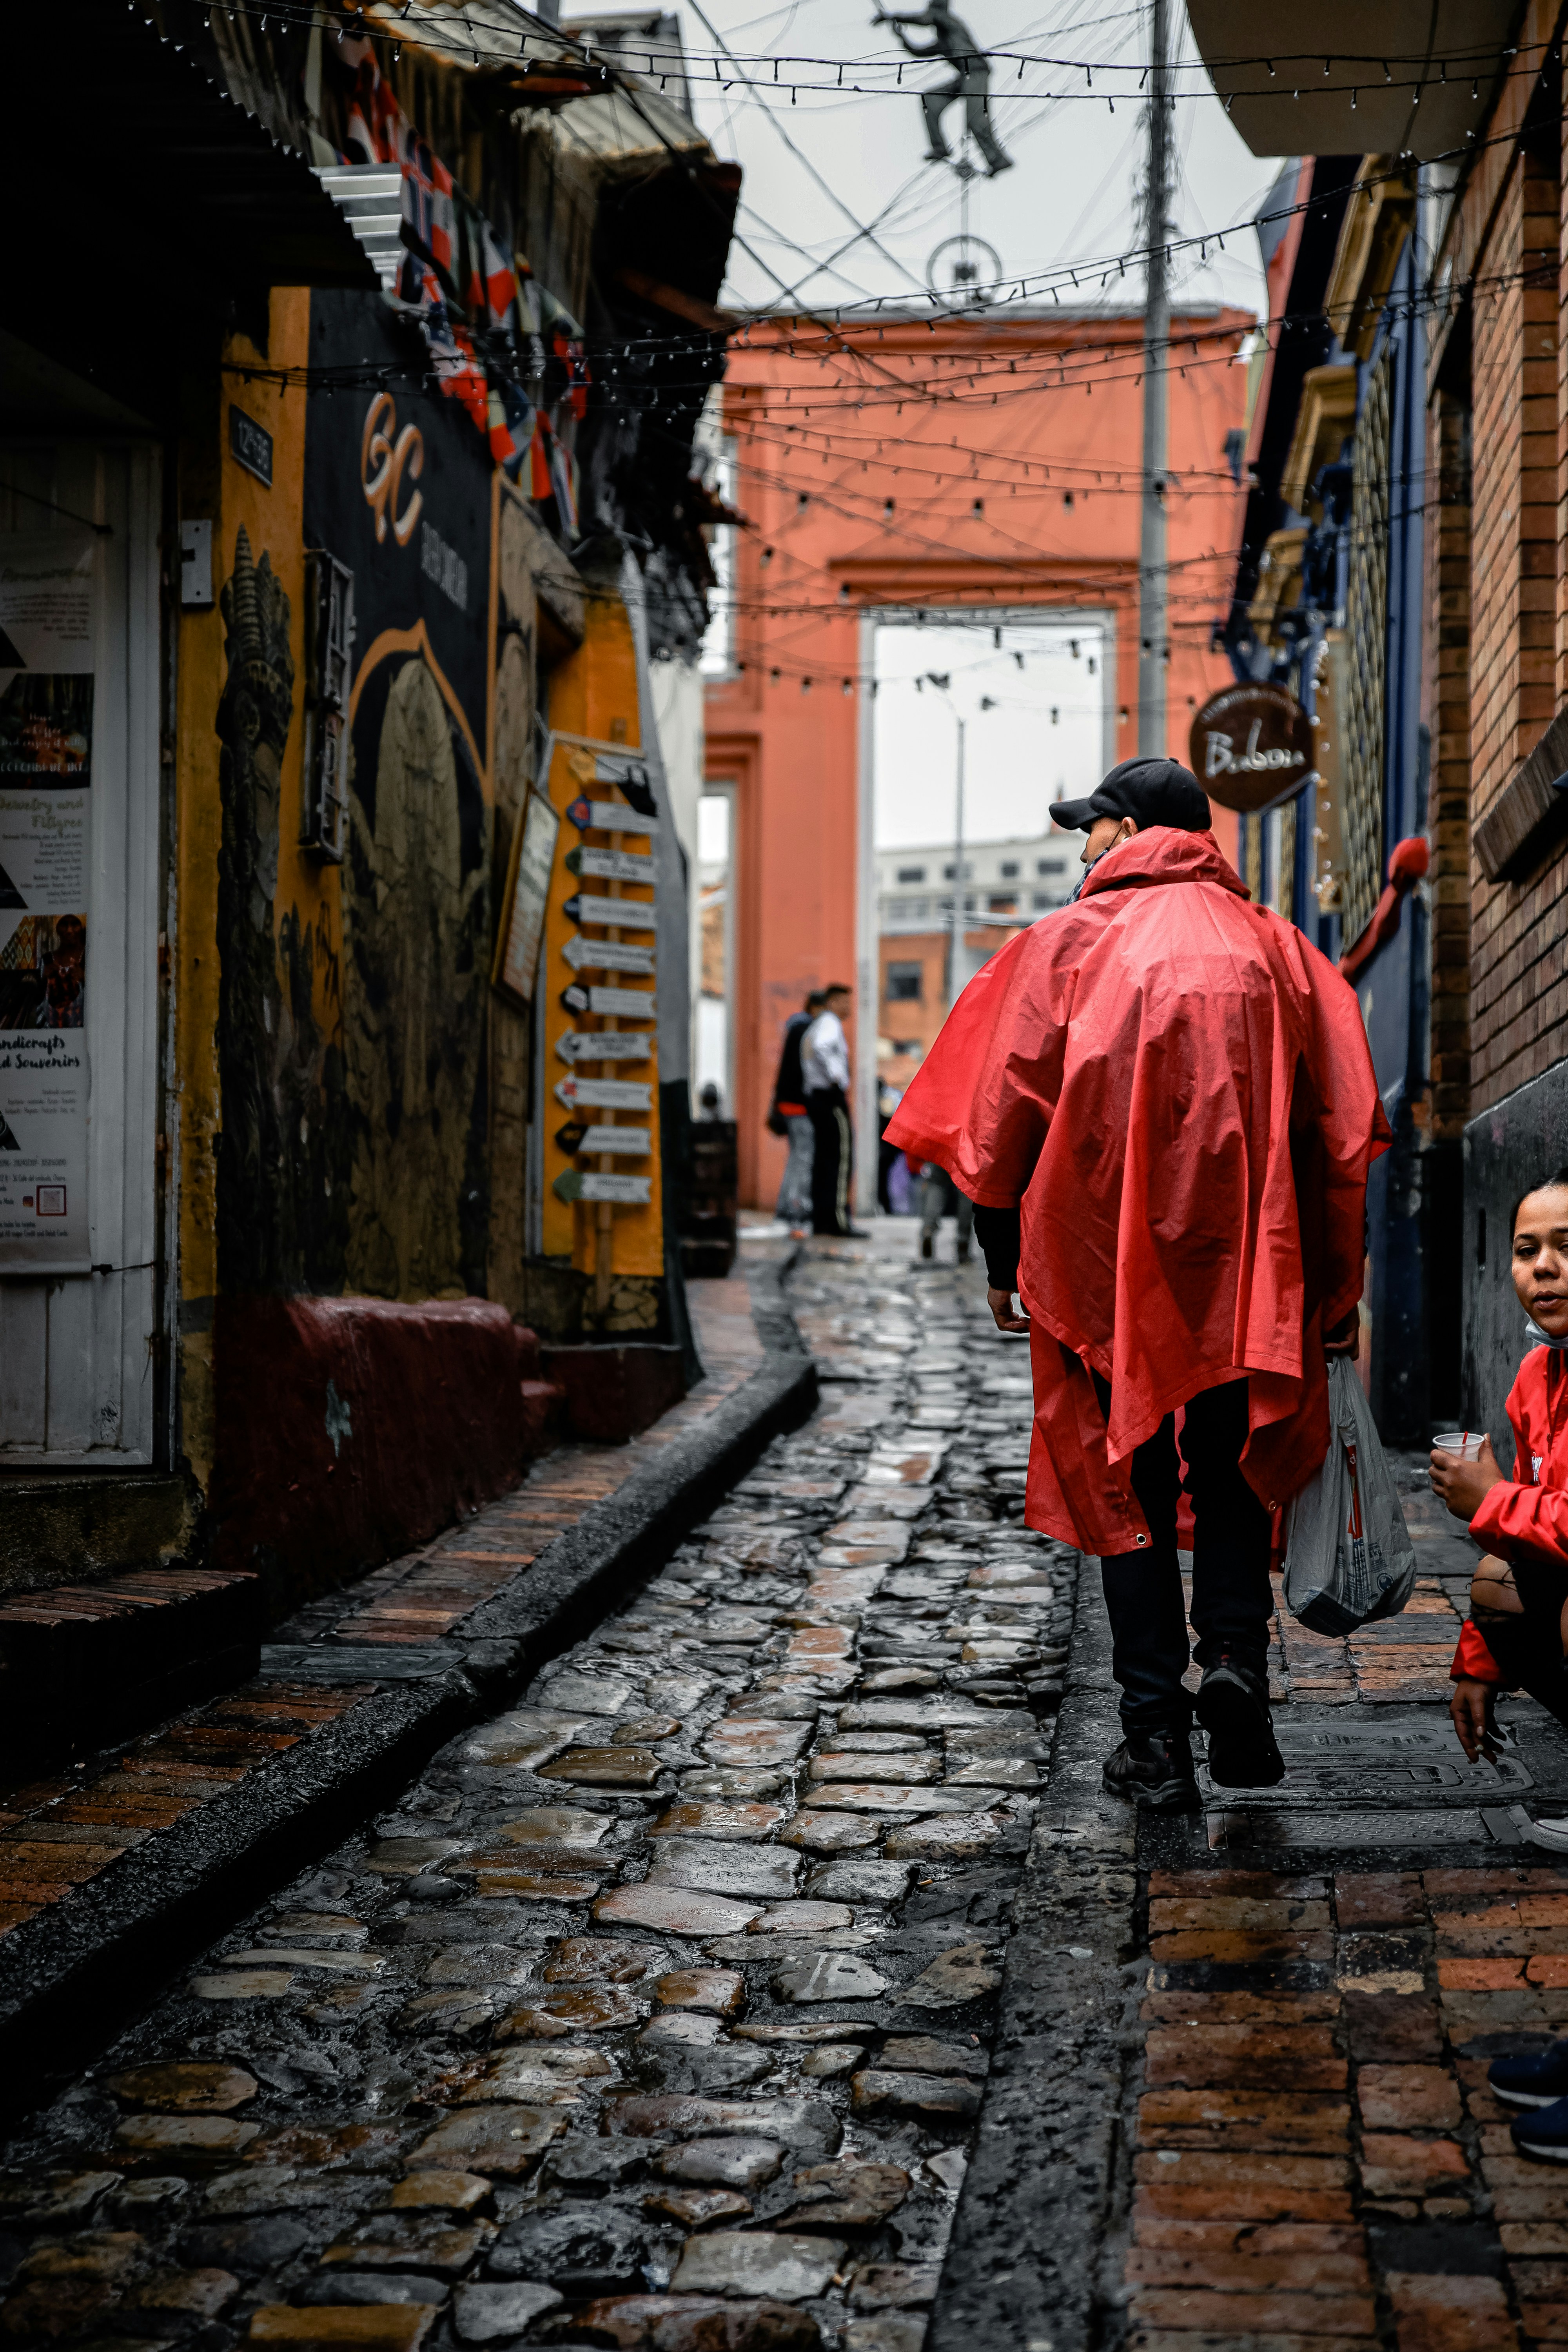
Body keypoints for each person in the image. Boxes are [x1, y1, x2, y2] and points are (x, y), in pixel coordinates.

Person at [884, 755, 1388, 1809]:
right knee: (1235, 1460)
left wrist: (998, 1257)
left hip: (1105, 1263)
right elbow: (1338, 1129)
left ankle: (1154, 1734)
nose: (1082, 848)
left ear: (1127, 834)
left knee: (1128, 1481)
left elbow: (999, 1118)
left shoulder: (1064, 948)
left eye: (1091, 828)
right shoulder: (1280, 951)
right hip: (1253, 1262)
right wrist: (1336, 1288)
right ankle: (1238, 1669)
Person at [1434, 1169, 1568, 2155]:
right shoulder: (1537, 1377)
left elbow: (1521, 1522)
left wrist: (1487, 1499)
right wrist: (1477, 1657)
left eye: (1564, 1246)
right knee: (1490, 1586)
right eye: (1526, 1250)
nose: (1545, 1268)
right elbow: (1514, 1552)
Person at [802, 982, 861, 1238]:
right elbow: (822, 1047)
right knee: (841, 1158)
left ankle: (822, 1220)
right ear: (834, 1002)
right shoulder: (830, 1024)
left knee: (825, 1160)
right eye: (846, 1002)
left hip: (818, 1097)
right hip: (829, 1098)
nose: (849, 1007)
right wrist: (837, 1078)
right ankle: (838, 1220)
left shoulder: (818, 1024)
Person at [770, 990, 823, 1236]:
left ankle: (785, 1207)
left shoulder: (795, 1029)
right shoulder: (806, 1032)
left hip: (787, 1103)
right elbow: (802, 1073)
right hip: (799, 1104)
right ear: (815, 1008)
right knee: (803, 1157)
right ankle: (796, 1207)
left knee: (796, 1156)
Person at [917, 1158, 973, 1263]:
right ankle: (963, 1243)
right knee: (967, 1189)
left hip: (941, 1148)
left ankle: (928, 1230)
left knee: (936, 1185)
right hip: (965, 1152)